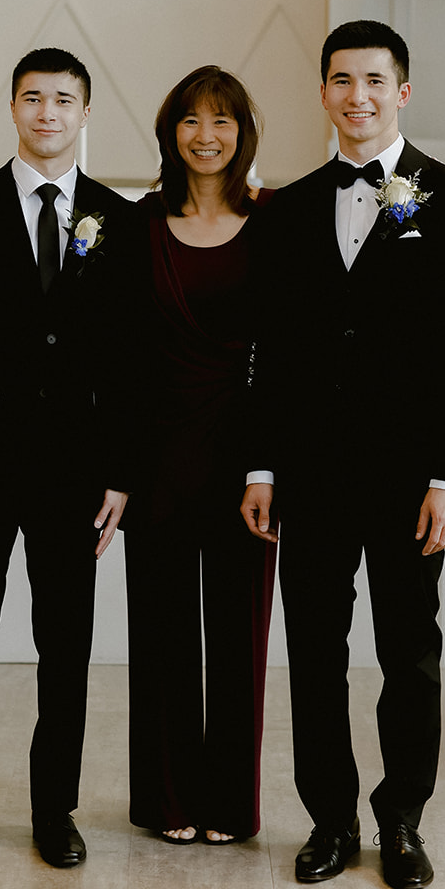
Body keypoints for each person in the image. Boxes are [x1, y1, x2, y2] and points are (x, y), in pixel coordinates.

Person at [240, 19, 445, 889]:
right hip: (309, 475)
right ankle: (329, 820)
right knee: (314, 651)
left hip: (407, 479)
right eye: (342, 81)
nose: (358, 97)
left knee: (407, 654)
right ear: (323, 92)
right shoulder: (288, 209)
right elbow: (269, 353)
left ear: (403, 92)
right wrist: (263, 467)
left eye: (375, 82)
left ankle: (401, 819)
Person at [0, 46, 137, 869]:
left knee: (67, 645)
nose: (48, 113)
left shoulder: (119, 218)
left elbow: (128, 360)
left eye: (64, 99)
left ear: (84, 113)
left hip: (76, 473)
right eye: (33, 98)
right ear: (12, 109)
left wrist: (121, 473)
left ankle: (55, 810)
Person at [125, 66, 276, 845]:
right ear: (170, 131)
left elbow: (288, 353)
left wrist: (268, 467)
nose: (206, 135)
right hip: (157, 449)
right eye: (190, 119)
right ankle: (169, 799)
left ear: (243, 131)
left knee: (239, 629)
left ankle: (230, 803)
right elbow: (118, 355)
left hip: (246, 454)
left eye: (221, 120)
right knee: (160, 629)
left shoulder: (275, 220)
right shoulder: (138, 224)